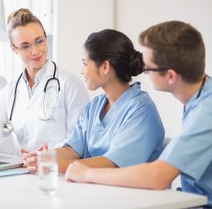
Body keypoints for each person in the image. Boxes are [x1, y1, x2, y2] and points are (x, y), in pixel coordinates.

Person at [65, 21, 212, 207]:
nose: (142, 70)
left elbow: (158, 176)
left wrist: (87, 173)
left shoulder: (209, 109)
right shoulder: (202, 96)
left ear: (170, 76)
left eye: (148, 67)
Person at [22, 29, 165, 174]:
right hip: (91, 188)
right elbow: (73, 148)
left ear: (105, 67)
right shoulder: (95, 106)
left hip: (128, 193)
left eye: (85, 63)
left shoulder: (141, 110)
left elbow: (112, 163)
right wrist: (45, 157)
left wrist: (52, 166)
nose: (82, 71)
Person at [0, 8, 90, 156]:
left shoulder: (71, 85)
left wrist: (44, 157)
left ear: (45, 38)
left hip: (56, 173)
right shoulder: (9, 92)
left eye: (39, 41)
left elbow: (78, 143)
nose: (35, 51)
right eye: (25, 46)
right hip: (21, 171)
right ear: (14, 49)